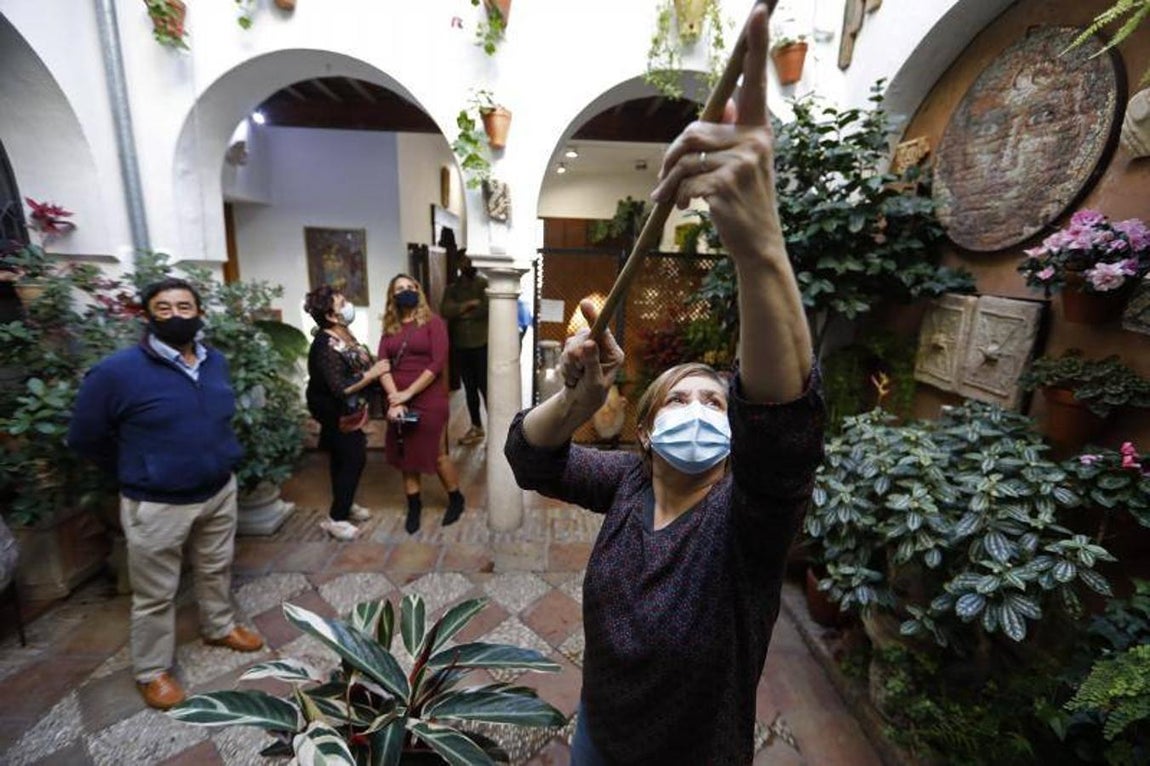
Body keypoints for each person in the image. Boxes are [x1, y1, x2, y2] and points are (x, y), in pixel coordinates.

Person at [503, 8, 826, 764]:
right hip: (597, 735)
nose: (698, 410)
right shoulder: (628, 483)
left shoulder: (745, 521)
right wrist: (574, 403)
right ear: (644, 432)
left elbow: (784, 428)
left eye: (715, 401)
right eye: (678, 399)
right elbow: (530, 460)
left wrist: (760, 247)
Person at [68, 277, 265, 711]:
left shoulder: (215, 362)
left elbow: (220, 417)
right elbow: (85, 436)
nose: (176, 315)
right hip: (157, 504)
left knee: (215, 567)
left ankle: (219, 626)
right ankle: (152, 670)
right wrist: (139, 470)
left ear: (199, 312)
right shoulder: (116, 373)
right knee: (155, 592)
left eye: (184, 306)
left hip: (218, 491)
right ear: (148, 316)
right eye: (164, 308)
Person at [378, 274, 466, 534]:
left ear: (418, 290)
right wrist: (395, 398)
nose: (406, 291)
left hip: (429, 397)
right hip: (398, 399)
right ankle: (414, 506)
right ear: (392, 296)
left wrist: (408, 393)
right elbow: (382, 365)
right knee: (406, 454)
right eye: (400, 288)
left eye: (410, 287)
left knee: (437, 454)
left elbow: (437, 363)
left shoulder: (433, 323)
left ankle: (456, 498)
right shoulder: (390, 328)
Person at [303, 285, 389, 541]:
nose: (348, 306)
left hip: (350, 410)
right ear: (331, 315)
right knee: (353, 458)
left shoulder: (343, 334)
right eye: (342, 304)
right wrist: (372, 374)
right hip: (334, 411)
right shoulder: (325, 345)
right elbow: (340, 388)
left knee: (342, 458)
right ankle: (336, 519)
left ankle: (346, 502)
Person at [440, 251, 489, 446]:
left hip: (482, 344)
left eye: (471, 260)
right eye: (465, 261)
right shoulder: (452, 288)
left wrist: (460, 313)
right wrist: (469, 305)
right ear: (459, 264)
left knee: (486, 388)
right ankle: (476, 427)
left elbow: (485, 308)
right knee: (469, 388)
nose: (469, 264)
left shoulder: (484, 284)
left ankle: (496, 429)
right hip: (461, 346)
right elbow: (445, 310)